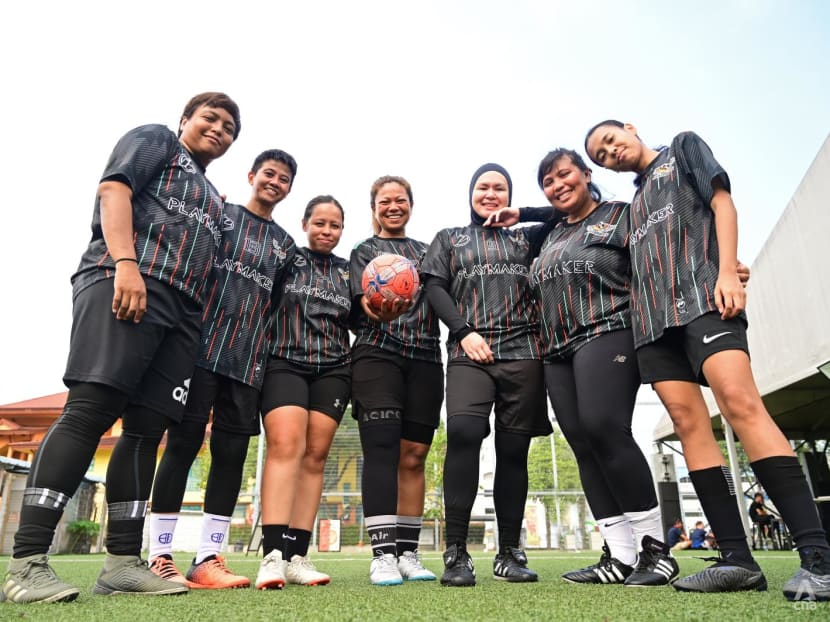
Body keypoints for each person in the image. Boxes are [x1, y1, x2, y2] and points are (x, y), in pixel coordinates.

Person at [1, 92, 241, 603]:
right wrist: (125, 264)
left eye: (229, 127)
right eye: (210, 118)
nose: (219, 129)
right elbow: (113, 191)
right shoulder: (155, 140)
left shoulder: (216, 200)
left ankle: (123, 564)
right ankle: (26, 563)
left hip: (182, 312)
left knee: (145, 430)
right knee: (91, 409)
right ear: (185, 120)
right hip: (127, 280)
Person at [585, 120, 830, 600]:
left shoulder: (682, 148)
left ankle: (818, 557)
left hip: (704, 299)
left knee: (740, 404)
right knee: (688, 424)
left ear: (630, 130)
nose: (610, 152)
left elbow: (722, 202)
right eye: (601, 156)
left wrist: (728, 269)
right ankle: (737, 560)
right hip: (653, 324)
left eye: (610, 141)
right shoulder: (629, 208)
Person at [483, 149, 684, 587]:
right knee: (582, 443)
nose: (557, 185)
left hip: (609, 328)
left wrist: (725, 269)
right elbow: (544, 217)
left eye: (564, 175)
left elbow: (664, 250)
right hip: (556, 348)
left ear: (585, 174)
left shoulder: (619, 215)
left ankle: (656, 550)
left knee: (603, 427)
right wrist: (526, 213)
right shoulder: (549, 234)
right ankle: (621, 555)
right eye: (548, 182)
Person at [145, 149, 298, 589]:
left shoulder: (285, 246)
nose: (275, 182)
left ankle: (209, 557)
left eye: (284, 178)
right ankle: (159, 556)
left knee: (231, 457)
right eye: (269, 173)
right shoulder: (221, 214)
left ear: (289, 188)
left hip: (248, 360)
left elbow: (278, 305)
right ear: (252, 175)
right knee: (183, 445)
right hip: (198, 350)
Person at [421, 163, 552, 587]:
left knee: (514, 451)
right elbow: (434, 288)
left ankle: (509, 552)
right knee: (462, 434)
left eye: (499, 188)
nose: (490, 194)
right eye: (483, 187)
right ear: (471, 194)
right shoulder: (450, 238)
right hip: (470, 351)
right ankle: (456, 552)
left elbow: (568, 213)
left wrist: (525, 213)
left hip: (524, 353)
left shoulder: (527, 235)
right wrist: (463, 331)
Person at [349, 176, 443, 586]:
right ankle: (383, 554)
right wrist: (374, 310)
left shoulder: (427, 254)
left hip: (424, 357)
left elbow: (445, 299)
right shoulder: (363, 253)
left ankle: (408, 551)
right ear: (374, 208)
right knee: (383, 450)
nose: (393, 206)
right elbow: (357, 309)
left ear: (410, 205)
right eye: (384, 201)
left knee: (415, 454)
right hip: (377, 355)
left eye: (399, 200)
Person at [255, 195, 352, 589]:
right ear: (305, 223)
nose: (327, 231)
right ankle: (272, 556)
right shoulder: (287, 260)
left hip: (333, 368)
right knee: (285, 446)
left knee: (315, 456)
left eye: (335, 225)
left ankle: (297, 555)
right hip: (284, 360)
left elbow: (364, 316)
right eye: (320, 223)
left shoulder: (349, 272)